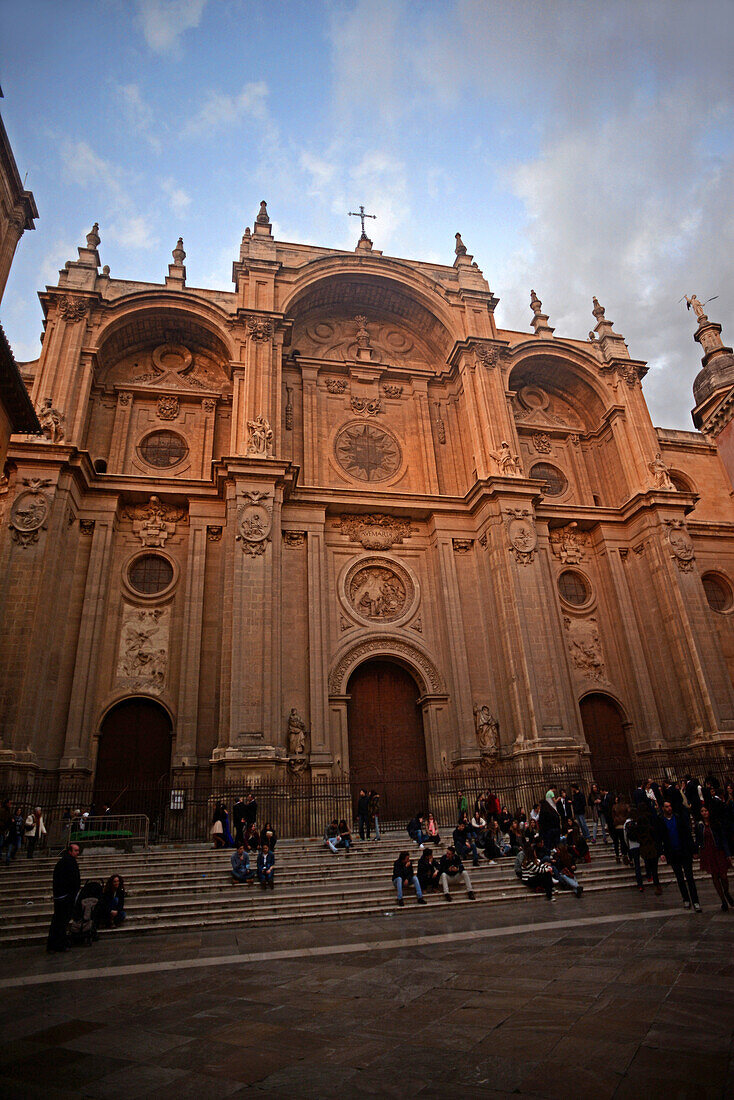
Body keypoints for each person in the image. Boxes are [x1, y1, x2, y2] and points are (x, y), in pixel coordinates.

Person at [661, 800, 700, 911]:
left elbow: (688, 834)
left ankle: (696, 901)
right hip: (673, 853)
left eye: (670, 806)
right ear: (663, 808)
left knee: (690, 877)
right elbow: (661, 837)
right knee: (679, 878)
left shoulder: (679, 818)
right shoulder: (661, 821)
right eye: (667, 807)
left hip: (684, 851)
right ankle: (686, 899)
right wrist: (662, 852)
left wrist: (693, 850)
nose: (669, 808)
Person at [697, 805, 733, 911]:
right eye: (702, 811)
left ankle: (726, 892)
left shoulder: (716, 823)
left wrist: (727, 853)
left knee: (724, 876)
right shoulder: (700, 825)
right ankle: (723, 900)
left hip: (719, 851)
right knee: (715, 876)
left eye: (706, 810)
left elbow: (723, 839)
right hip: (708, 852)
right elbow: (699, 840)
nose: (704, 813)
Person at [47, 842, 81, 952]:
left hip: (62, 896)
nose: (77, 853)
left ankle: (58, 943)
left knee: (60, 921)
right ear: (70, 851)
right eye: (75, 851)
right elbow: (70, 880)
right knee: (60, 922)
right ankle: (58, 944)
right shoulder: (68, 862)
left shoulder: (65, 862)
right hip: (64, 897)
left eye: (78, 851)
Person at [635, 801, 663, 895]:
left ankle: (649, 875)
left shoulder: (638, 822)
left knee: (648, 863)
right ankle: (657, 884)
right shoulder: (651, 818)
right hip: (652, 846)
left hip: (644, 847)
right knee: (654, 868)